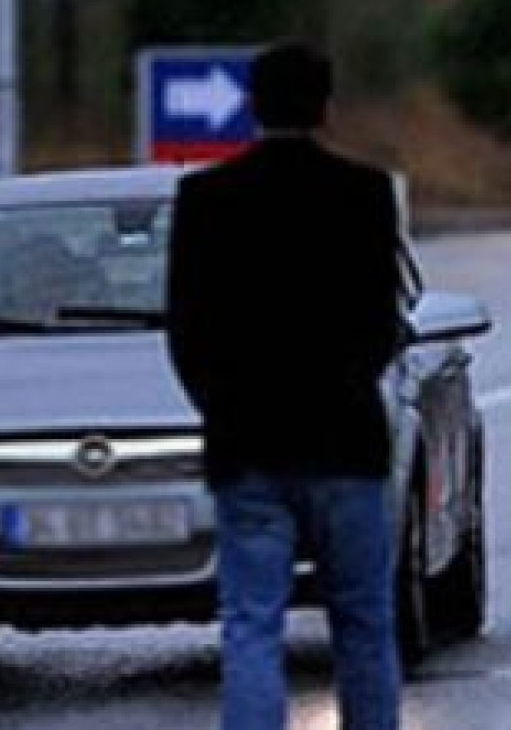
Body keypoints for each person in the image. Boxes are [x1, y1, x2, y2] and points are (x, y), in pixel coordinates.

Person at [165, 40, 404, 729]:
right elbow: (379, 321)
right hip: (346, 444)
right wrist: (350, 383)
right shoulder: (365, 194)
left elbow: (187, 330)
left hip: (248, 446)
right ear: (327, 108)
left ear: (250, 107)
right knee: (362, 622)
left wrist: (222, 405)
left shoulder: (205, 199)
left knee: (250, 625)